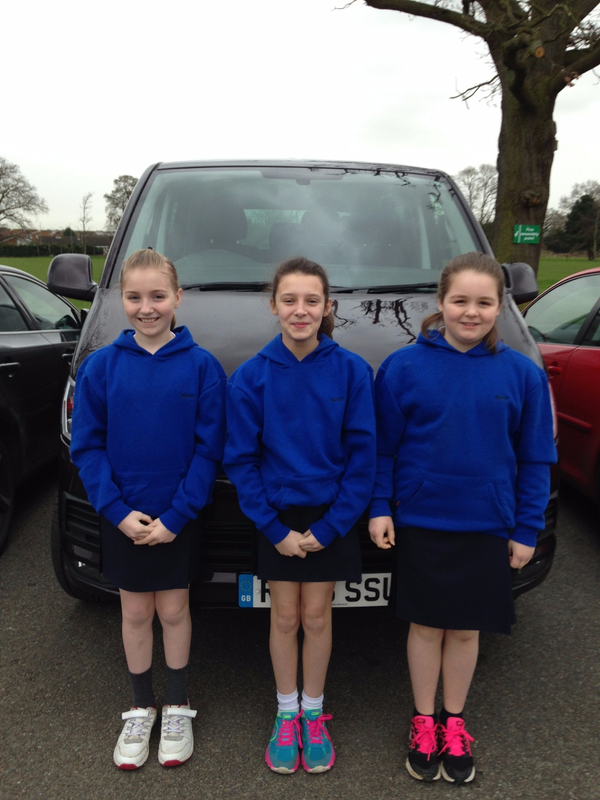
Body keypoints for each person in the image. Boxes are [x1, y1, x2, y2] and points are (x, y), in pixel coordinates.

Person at [368, 252, 556, 785]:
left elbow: (535, 458)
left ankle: (454, 720)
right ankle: (423, 720)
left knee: (467, 630)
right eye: (460, 301)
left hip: (487, 523)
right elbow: (383, 449)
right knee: (427, 627)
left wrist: (526, 528)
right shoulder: (403, 367)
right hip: (423, 520)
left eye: (484, 302)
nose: (471, 312)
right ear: (441, 301)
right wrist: (380, 506)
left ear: (500, 306)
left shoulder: (521, 374)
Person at [70, 248, 226, 770]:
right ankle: (141, 706)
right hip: (124, 518)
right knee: (135, 612)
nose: (147, 307)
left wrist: (177, 516)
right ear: (122, 299)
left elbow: (209, 450)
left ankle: (177, 704)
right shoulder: (100, 368)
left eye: (158, 296)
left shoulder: (202, 367)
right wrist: (116, 512)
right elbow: (87, 448)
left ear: (178, 298)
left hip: (177, 518)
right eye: (135, 297)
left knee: (175, 610)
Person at [223, 257, 376, 775]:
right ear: (273, 306)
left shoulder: (351, 371)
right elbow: (241, 461)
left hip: (330, 516)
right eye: (289, 300)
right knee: (284, 617)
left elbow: (363, 458)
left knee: (317, 616)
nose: (300, 310)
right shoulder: (252, 377)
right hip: (278, 518)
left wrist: (330, 527)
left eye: (312, 301)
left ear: (328, 306)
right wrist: (274, 529)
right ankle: (286, 712)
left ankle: (314, 712)